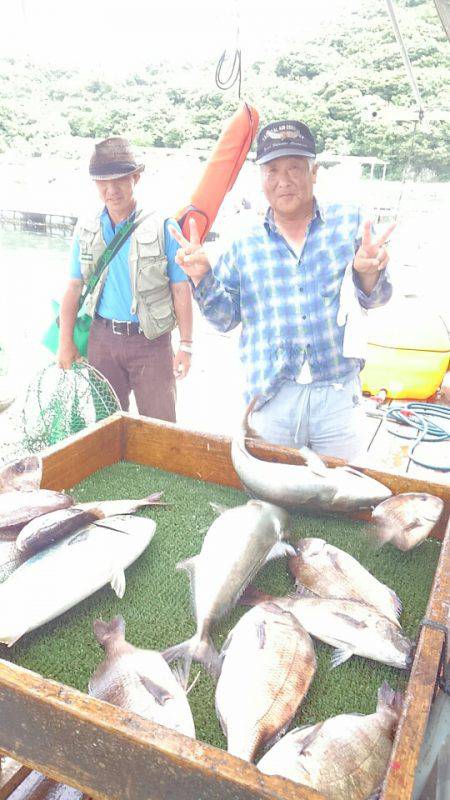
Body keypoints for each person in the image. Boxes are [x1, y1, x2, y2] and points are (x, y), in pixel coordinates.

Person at [170, 119, 395, 460]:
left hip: (337, 396)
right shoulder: (243, 240)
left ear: (314, 172)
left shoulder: (349, 224)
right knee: (270, 489)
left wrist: (369, 272)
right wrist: (202, 279)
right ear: (261, 178)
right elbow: (224, 320)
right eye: (272, 170)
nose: (283, 180)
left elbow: (377, 298)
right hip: (271, 398)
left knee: (344, 489)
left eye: (294, 168)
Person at [57, 136, 192, 422]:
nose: (111, 190)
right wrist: (64, 341)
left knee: (160, 425)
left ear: (136, 178)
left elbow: (181, 289)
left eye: (119, 180)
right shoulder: (87, 228)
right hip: (102, 339)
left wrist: (186, 345)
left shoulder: (163, 226)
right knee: (106, 422)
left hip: (151, 342)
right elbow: (73, 286)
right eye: (102, 182)